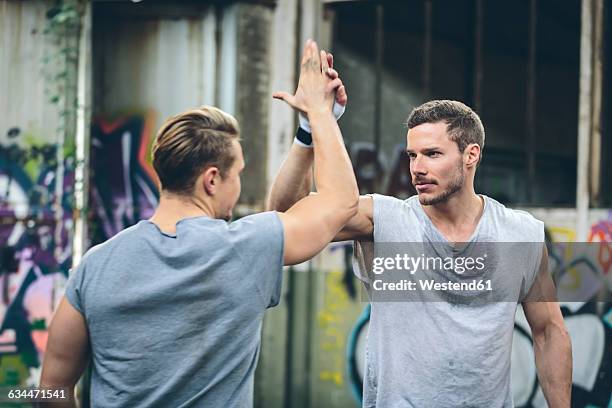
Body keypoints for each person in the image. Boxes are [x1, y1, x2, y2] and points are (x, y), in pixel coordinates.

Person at [40, 39, 359, 407]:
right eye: (237, 174)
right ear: (211, 180)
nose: (237, 184)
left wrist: (305, 132)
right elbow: (340, 200)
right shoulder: (243, 248)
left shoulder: (95, 265)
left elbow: (49, 389)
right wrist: (318, 114)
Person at [267, 99, 572, 407]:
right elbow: (288, 214)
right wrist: (309, 128)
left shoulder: (520, 234)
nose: (417, 169)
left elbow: (548, 332)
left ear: (471, 155)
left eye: (432, 154)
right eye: (412, 155)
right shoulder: (384, 220)